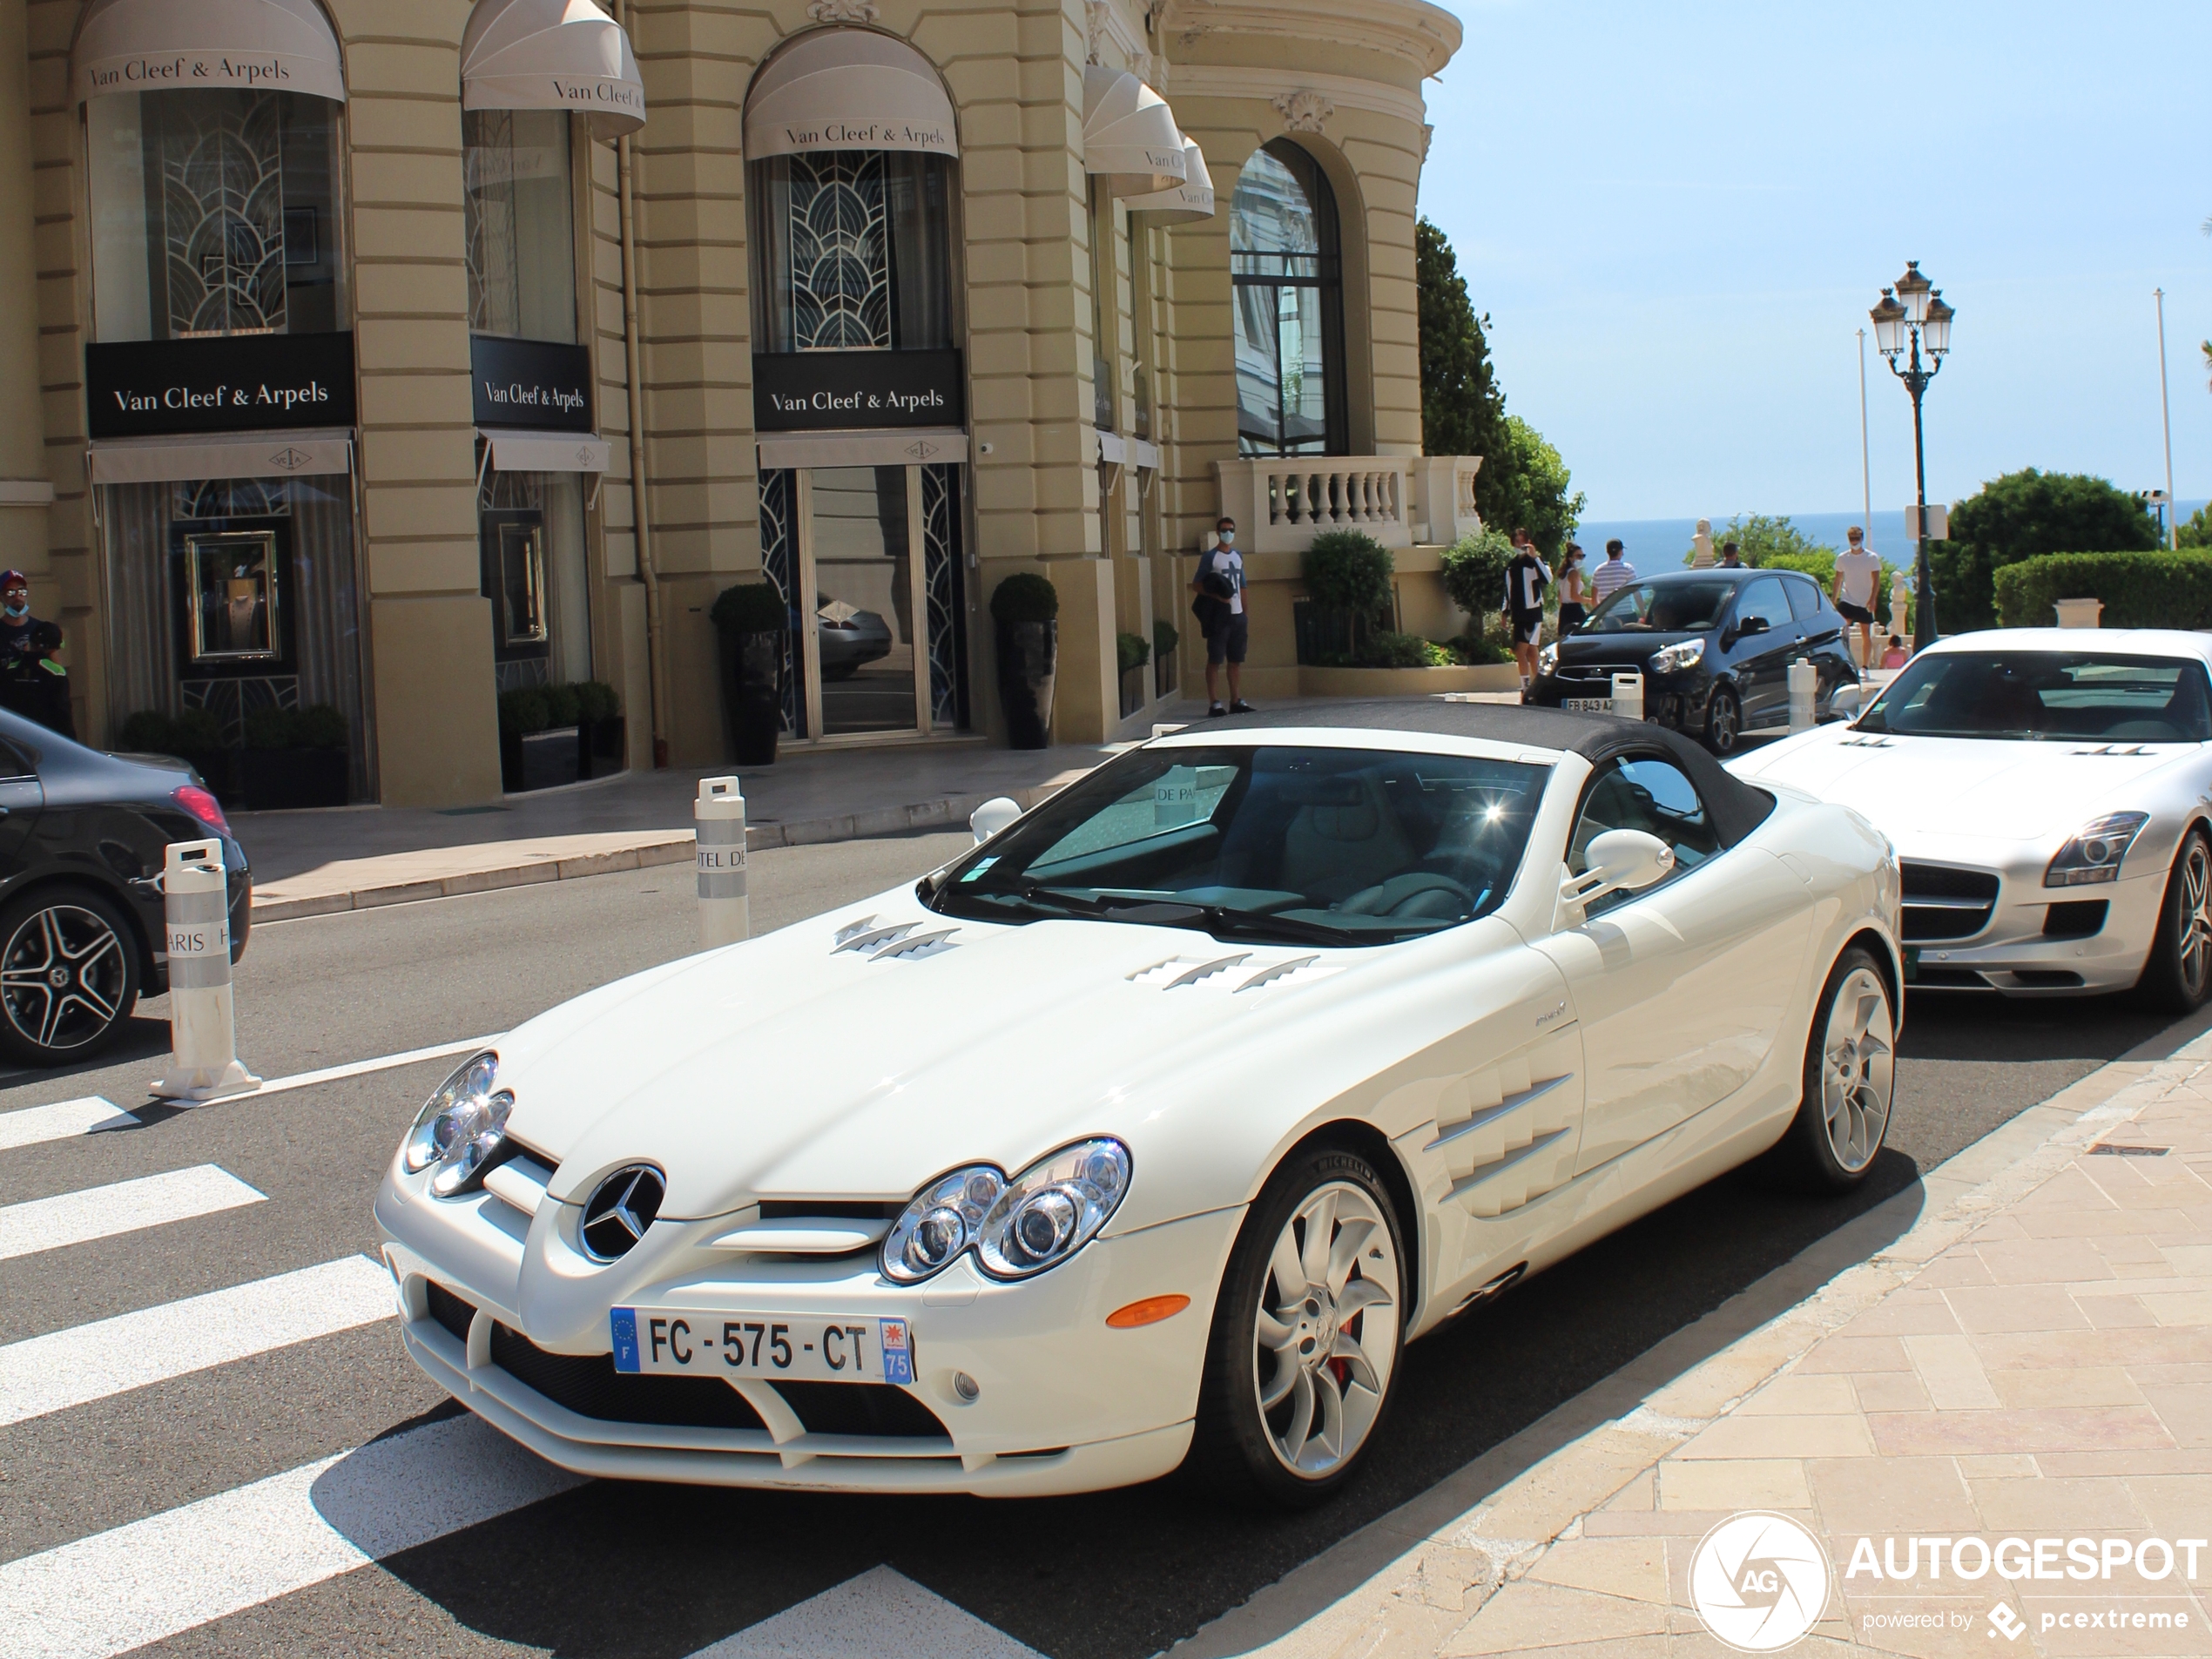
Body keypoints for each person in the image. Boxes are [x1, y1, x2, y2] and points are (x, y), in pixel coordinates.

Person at [1189, 516, 1252, 717]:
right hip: (1220, 615)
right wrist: (1216, 596)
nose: (1228, 533)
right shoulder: (1210, 557)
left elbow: (1242, 585)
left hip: (1237, 616)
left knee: (1235, 660)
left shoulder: (1238, 556)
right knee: (1215, 659)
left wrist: (1244, 612)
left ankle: (1235, 699)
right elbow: (1197, 584)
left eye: (1231, 530)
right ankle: (1214, 702)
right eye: (1224, 530)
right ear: (1218, 532)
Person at [0, 569, 72, 738]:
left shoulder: (40, 629)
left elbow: (57, 672)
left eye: (21, 591)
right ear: (2, 597)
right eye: (11, 592)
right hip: (9, 714)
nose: (17, 597)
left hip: (40, 714)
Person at [1500, 528, 1550, 692]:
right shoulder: (1511, 566)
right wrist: (1504, 613)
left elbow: (1547, 579)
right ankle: (1537, 685)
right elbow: (1508, 591)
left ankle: (1526, 686)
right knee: (1531, 650)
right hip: (1518, 614)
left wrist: (1535, 557)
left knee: (1520, 650)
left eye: (1523, 541)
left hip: (1533, 613)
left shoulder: (1535, 562)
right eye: (1517, 542)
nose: (1520, 545)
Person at [1831, 526, 1883, 668]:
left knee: (1865, 633)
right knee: (1842, 630)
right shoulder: (1843, 558)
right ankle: (1845, 661)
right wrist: (1833, 601)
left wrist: (1873, 599)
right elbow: (1838, 580)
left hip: (1864, 601)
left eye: (1857, 538)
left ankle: (1865, 666)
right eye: (1852, 539)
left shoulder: (1871, 558)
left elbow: (1877, 579)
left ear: (1862, 539)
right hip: (1847, 599)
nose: (1854, 541)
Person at [1591, 538, 1637, 605]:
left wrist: (1599, 614)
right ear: (1620, 552)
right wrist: (1643, 613)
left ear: (1607, 552)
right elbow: (1636, 593)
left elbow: (1594, 598)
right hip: (1625, 611)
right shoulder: (1628, 569)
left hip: (1606, 613)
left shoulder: (1598, 570)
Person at [1556, 543, 1590, 635]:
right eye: (1578, 556)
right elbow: (1575, 596)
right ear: (1571, 558)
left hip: (1564, 611)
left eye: (1583, 556)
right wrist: (1591, 600)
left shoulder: (1563, 573)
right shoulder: (1573, 573)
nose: (1581, 559)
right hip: (1575, 610)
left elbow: (1560, 596)